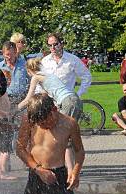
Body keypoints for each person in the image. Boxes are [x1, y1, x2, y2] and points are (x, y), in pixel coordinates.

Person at [41, 32, 92, 172]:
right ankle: (58, 167)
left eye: (55, 44)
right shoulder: (45, 61)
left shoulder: (72, 60)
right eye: (50, 45)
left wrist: (78, 94)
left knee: (67, 136)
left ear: (61, 43)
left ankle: (71, 171)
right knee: (53, 136)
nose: (53, 47)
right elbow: (40, 82)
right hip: (51, 104)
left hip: (68, 102)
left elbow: (87, 77)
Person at [0, 41, 29, 180]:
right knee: (6, 132)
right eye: (6, 55)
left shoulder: (24, 65)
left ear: (16, 52)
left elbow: (32, 79)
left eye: (11, 54)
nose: (9, 57)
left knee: (25, 130)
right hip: (6, 100)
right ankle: (4, 168)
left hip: (22, 100)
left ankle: (26, 160)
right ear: (3, 54)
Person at [18, 57, 82, 121]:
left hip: (67, 102)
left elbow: (28, 99)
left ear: (28, 70)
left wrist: (16, 109)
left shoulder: (35, 77)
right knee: (71, 128)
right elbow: (45, 94)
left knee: (63, 128)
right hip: (75, 99)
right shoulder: (48, 75)